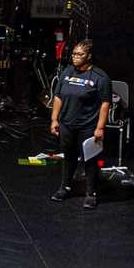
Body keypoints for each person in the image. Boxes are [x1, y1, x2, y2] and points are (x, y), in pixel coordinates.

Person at [49, 40, 111, 209]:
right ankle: (65, 187)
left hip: (88, 125)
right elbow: (58, 97)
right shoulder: (67, 72)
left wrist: (100, 127)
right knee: (68, 156)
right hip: (67, 123)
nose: (75, 57)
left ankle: (91, 193)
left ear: (89, 57)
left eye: (79, 54)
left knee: (89, 159)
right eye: (74, 54)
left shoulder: (100, 77)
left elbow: (105, 104)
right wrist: (54, 119)